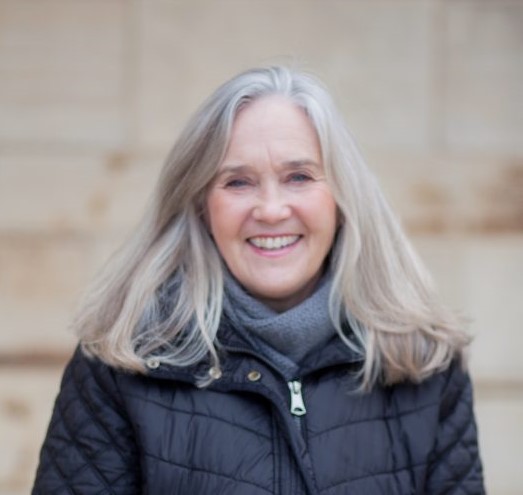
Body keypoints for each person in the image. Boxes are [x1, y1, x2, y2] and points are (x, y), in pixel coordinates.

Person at [32, 66, 484, 494]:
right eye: (238, 182)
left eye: (299, 177)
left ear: (342, 199)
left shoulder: (426, 365)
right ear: (201, 207)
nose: (270, 209)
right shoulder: (123, 361)